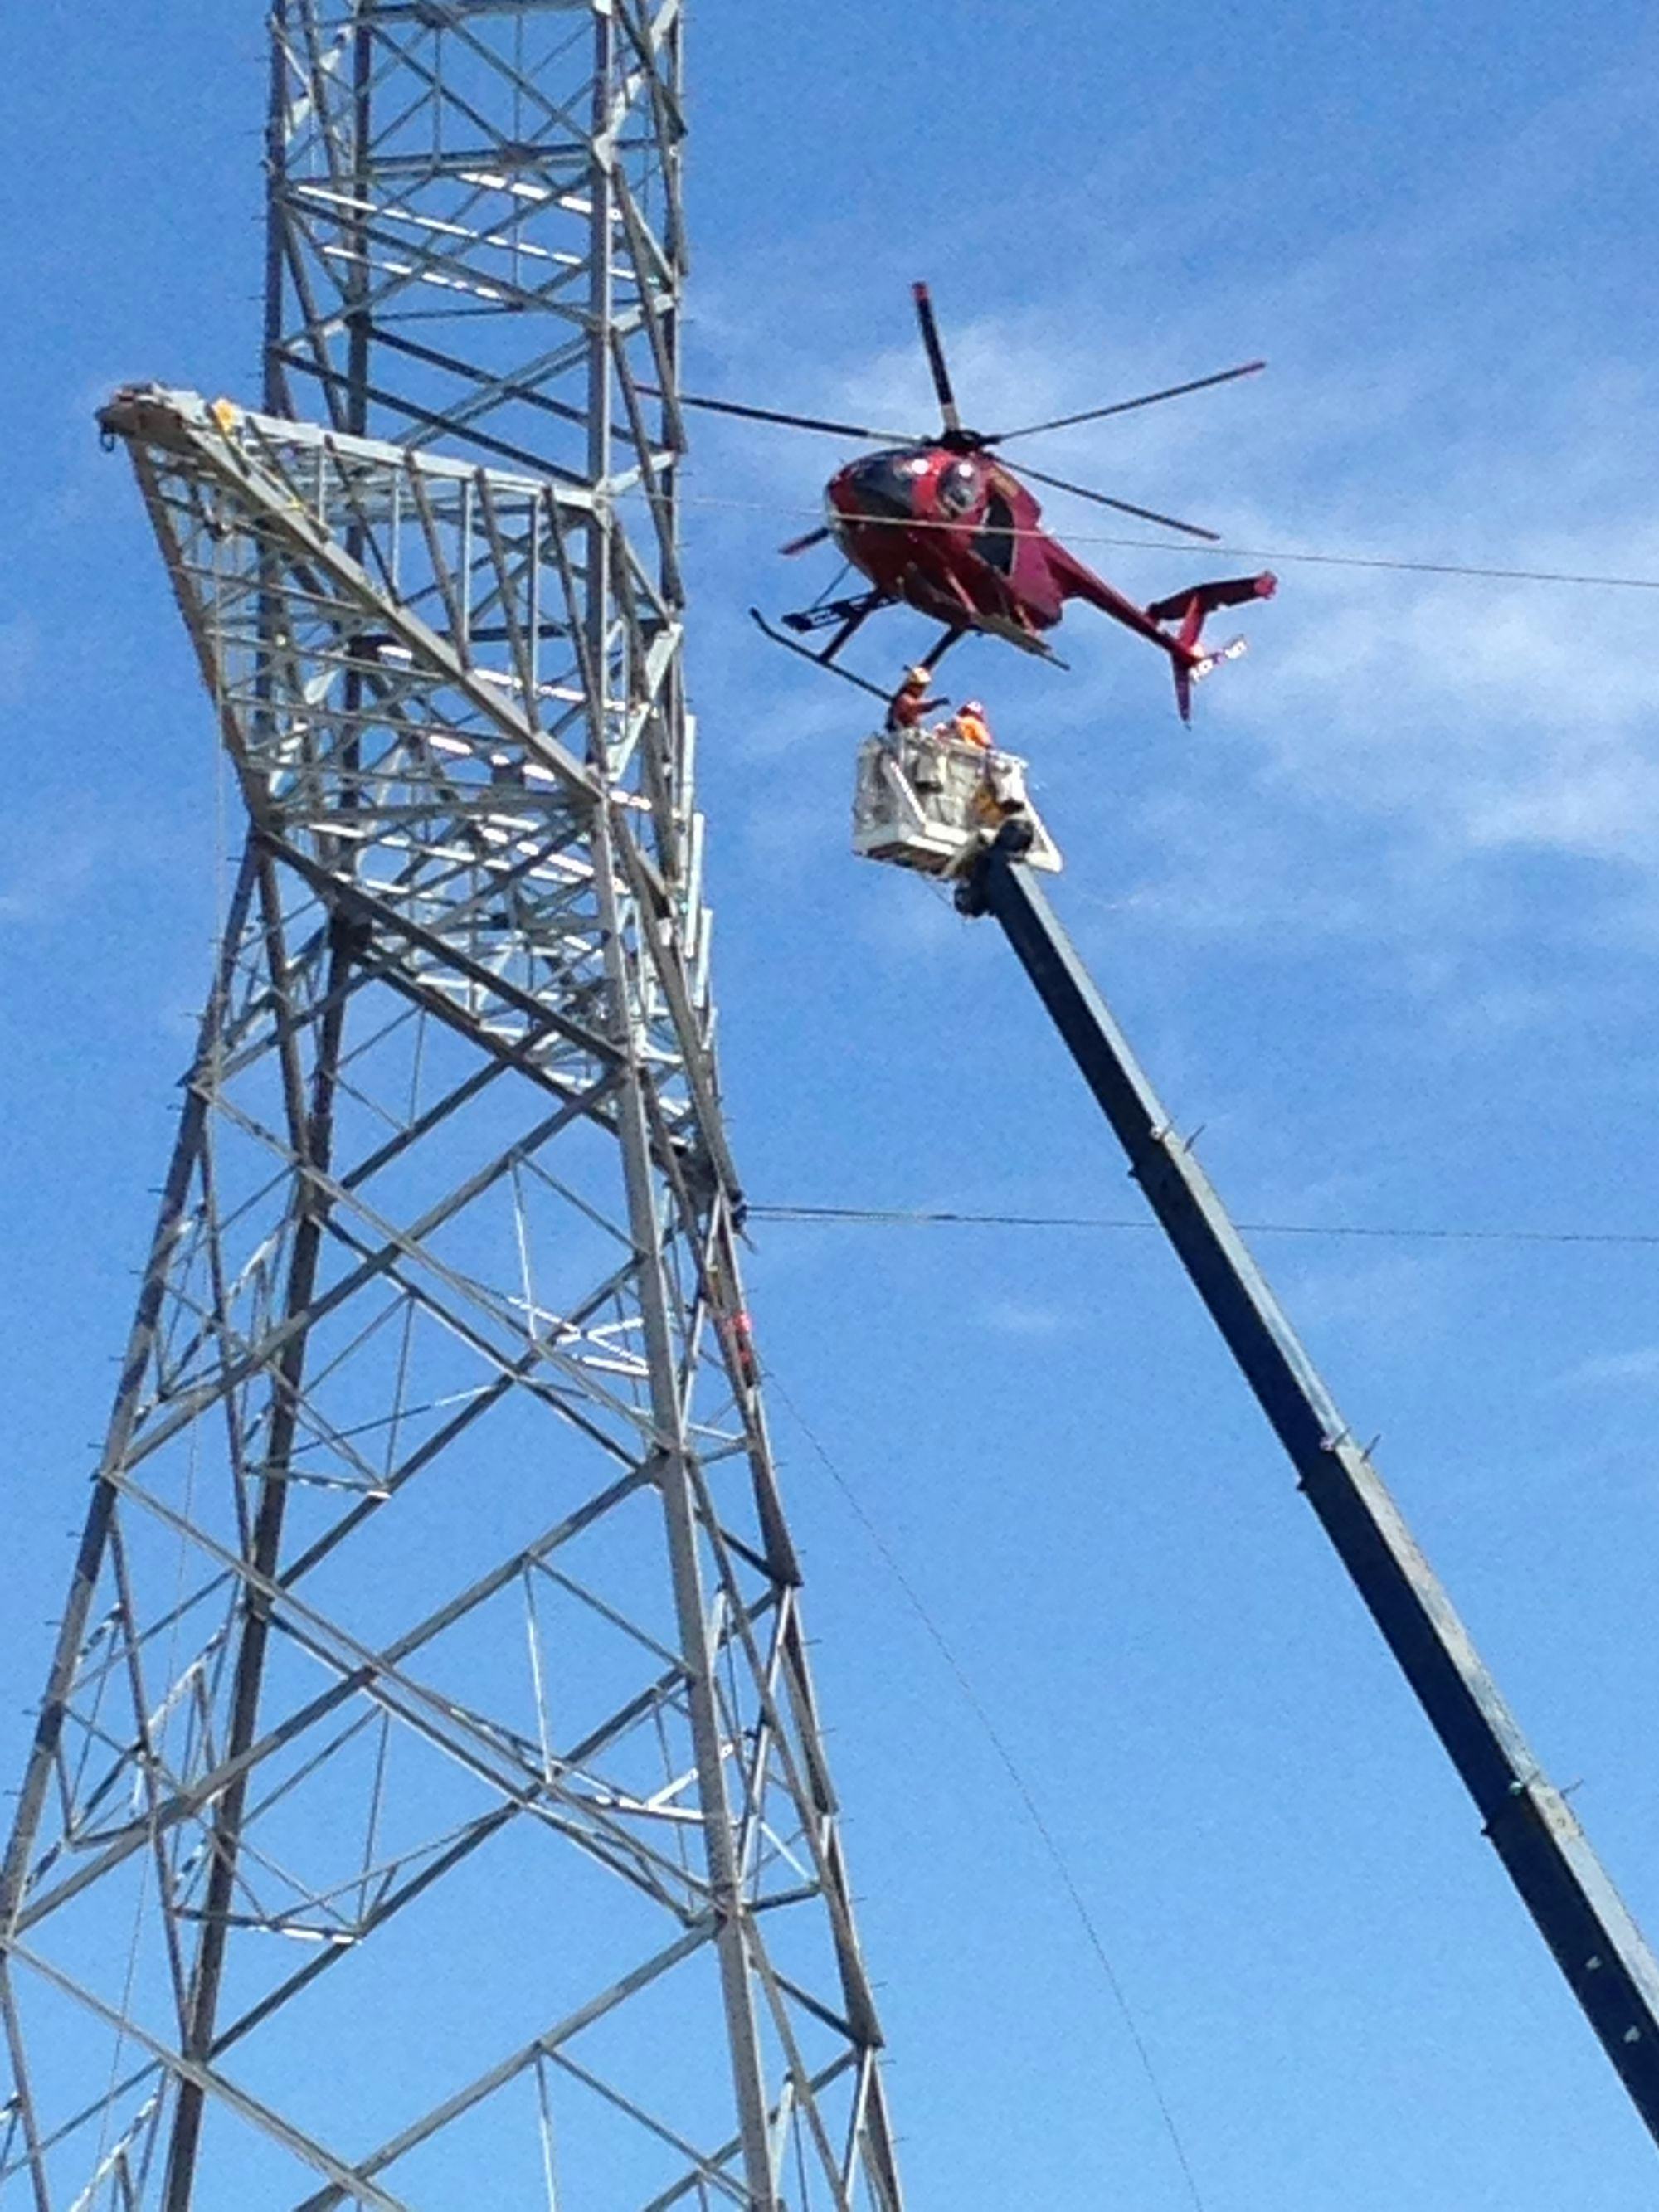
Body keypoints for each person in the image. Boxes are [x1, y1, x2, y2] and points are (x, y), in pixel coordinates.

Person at [884, 665, 946, 735]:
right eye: (919, 686)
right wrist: (935, 703)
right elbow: (915, 707)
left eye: (924, 686)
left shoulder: (910, 699)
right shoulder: (904, 699)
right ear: (910, 685)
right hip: (901, 736)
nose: (922, 690)